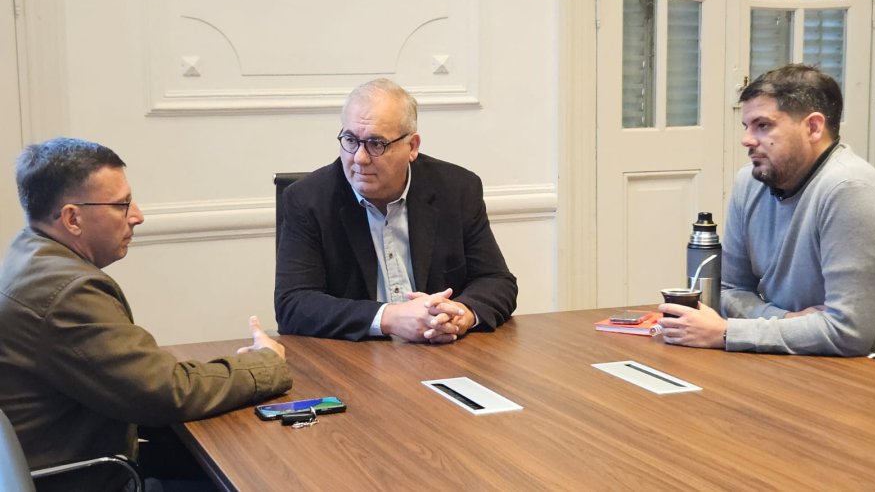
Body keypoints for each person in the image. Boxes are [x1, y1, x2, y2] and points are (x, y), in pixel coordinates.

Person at [0, 138, 293, 491]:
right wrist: (265, 363)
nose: (137, 215)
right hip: (95, 479)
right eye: (122, 205)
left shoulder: (26, 254)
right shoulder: (68, 293)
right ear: (72, 218)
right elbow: (166, 392)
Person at [658, 64, 875, 356]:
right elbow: (730, 292)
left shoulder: (851, 190)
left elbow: (846, 332)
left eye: (763, 125)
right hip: (789, 356)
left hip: (865, 373)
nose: (746, 140)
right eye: (746, 127)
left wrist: (726, 332)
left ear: (813, 127)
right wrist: (785, 319)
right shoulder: (748, 181)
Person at [275, 78, 517, 343]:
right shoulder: (307, 199)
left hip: (442, 352)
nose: (359, 158)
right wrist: (389, 318)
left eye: (376, 144)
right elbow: (294, 304)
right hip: (353, 360)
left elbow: (497, 280)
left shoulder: (457, 189)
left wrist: (462, 313)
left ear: (412, 147)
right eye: (350, 140)